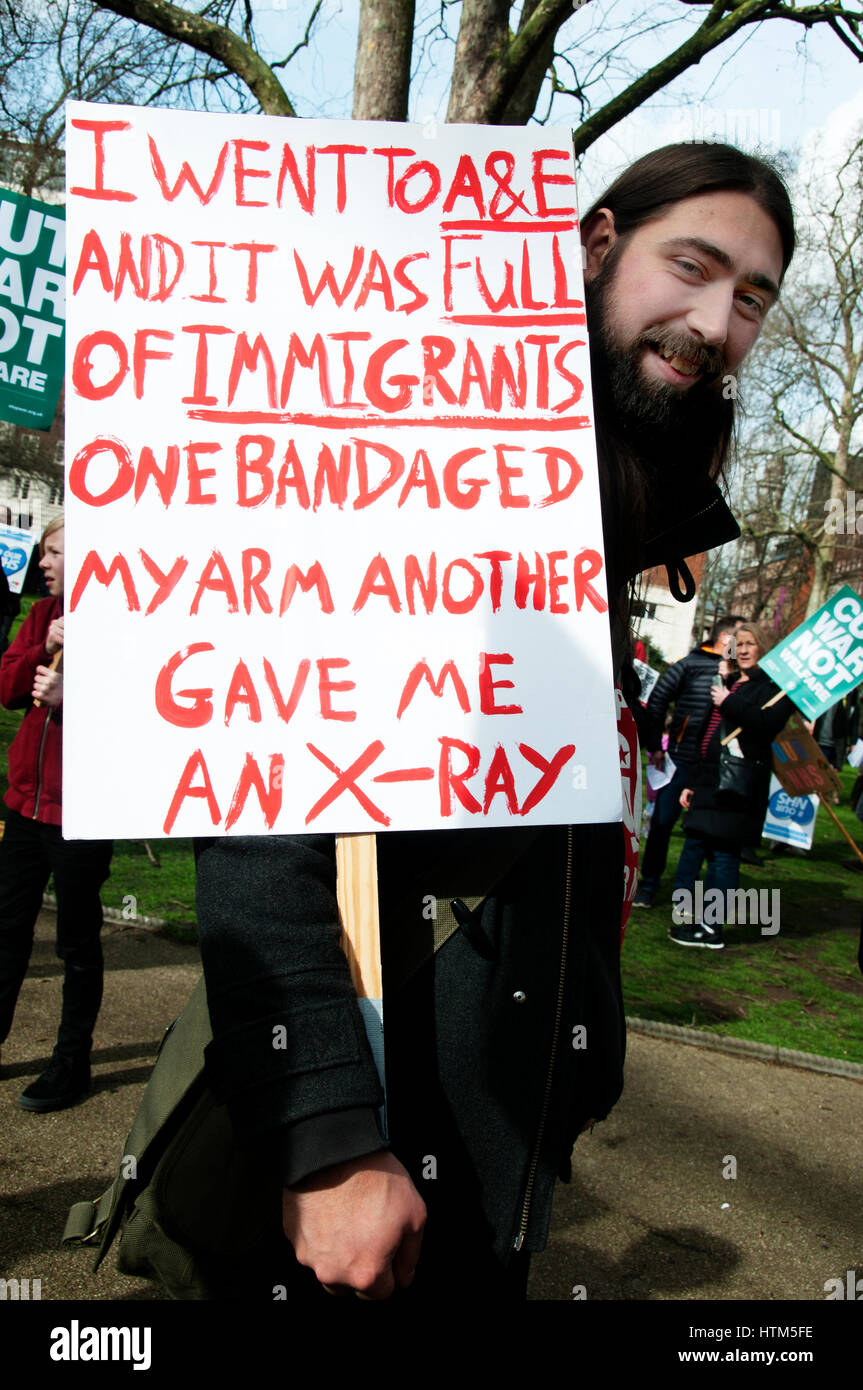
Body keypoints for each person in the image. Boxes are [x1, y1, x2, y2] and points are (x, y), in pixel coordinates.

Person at [193, 143, 795, 1298]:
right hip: (370, 1174)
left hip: (497, 1160)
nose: (716, 320)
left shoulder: (609, 508)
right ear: (594, 242)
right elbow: (256, 787)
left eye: (750, 299)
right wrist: (323, 1137)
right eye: (693, 265)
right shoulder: (417, 455)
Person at [0, 516, 113, 1111]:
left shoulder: (121, 618)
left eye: (55, 552)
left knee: (76, 944)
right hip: (22, 807)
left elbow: (143, 703)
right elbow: (9, 688)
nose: (42, 563)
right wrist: (40, 650)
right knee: (5, 931)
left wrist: (78, 697)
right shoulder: (42, 617)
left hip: (80, 815)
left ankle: (71, 1065)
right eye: (44, 552)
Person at [670, 622, 793, 950]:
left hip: (737, 784)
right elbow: (709, 732)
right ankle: (687, 919)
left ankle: (711, 928)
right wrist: (693, 781)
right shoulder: (732, 682)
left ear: (762, 647)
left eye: (750, 644)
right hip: (708, 779)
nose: (742, 650)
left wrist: (728, 701)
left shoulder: (775, 688)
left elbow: (766, 725)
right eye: (738, 644)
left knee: (723, 855)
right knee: (694, 846)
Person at [633, 616, 741, 908]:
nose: (743, 646)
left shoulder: (741, 675)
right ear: (725, 640)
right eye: (740, 638)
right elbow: (657, 702)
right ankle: (648, 885)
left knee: (705, 831)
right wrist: (656, 745)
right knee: (662, 824)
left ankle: (692, 893)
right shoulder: (690, 664)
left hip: (717, 765)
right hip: (681, 759)